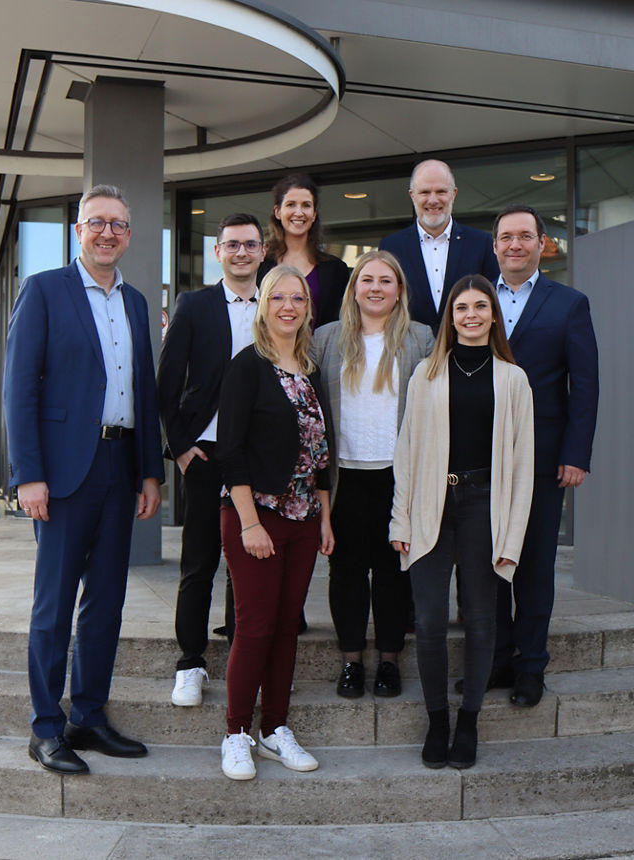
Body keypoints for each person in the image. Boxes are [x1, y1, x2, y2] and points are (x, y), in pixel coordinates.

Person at [3, 184, 165, 775]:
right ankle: (45, 727)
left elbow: (143, 391)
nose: (107, 233)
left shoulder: (138, 302)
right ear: (78, 230)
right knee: (54, 605)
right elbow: (18, 389)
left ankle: (88, 716)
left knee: (107, 602)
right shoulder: (45, 291)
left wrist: (151, 471)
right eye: (96, 222)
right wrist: (29, 475)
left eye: (118, 225)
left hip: (121, 470)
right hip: (64, 474)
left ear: (129, 234)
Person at [389, 274, 534, 770]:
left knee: (480, 619)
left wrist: (511, 537)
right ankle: (437, 722)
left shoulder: (513, 380)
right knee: (428, 622)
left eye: (480, 307)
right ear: (450, 318)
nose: (470, 315)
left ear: (494, 316)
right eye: (461, 308)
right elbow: (405, 453)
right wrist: (399, 522)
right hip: (432, 505)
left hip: (483, 507)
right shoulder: (426, 375)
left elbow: (523, 467)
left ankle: (469, 721)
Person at [216, 264, 334, 781]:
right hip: (256, 517)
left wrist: (325, 517)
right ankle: (236, 732)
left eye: (299, 299)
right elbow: (230, 450)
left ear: (308, 309)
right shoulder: (248, 365)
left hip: (305, 520)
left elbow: (321, 454)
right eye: (279, 297)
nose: (289, 306)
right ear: (264, 304)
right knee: (256, 625)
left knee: (288, 627)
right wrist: (248, 522)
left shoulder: (311, 368)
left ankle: (275, 728)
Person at [310, 250, 434, 699]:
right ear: (354, 288)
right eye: (367, 280)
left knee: (392, 572)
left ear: (399, 290)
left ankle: (388, 661)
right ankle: (351, 661)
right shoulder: (324, 339)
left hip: (397, 476)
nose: (376, 288)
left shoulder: (421, 338)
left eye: (386, 280)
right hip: (343, 476)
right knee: (344, 572)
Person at [491, 203, 599, 708]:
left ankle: (530, 666)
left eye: (525, 236)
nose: (515, 244)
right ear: (495, 246)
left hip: (542, 455)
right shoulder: (471, 299)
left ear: (541, 245)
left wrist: (576, 453)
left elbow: (586, 384)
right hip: (478, 457)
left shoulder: (569, 303)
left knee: (534, 564)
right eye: (506, 237)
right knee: (485, 565)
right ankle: (494, 661)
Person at [157, 212, 264, 708]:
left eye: (250, 244)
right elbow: (166, 385)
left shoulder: (280, 304)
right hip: (205, 454)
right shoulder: (195, 305)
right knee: (199, 562)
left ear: (264, 252)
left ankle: (243, 657)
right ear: (218, 253)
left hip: (260, 457)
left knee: (248, 562)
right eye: (232, 245)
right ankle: (190, 662)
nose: (241, 252)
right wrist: (180, 450)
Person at [379, 159, 499, 328]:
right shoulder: (391, 247)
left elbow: (494, 302)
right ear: (412, 195)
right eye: (425, 192)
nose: (433, 200)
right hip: (411, 351)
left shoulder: (482, 243)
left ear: (454, 194)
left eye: (441, 191)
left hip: (466, 350)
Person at [258, 174, 350, 327]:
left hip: (320, 351)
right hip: (271, 350)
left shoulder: (336, 269)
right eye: (291, 204)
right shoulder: (261, 265)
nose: (299, 212)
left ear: (314, 214)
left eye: (306, 205)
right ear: (277, 212)